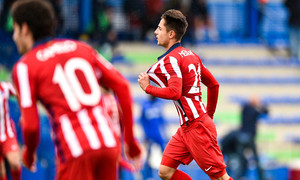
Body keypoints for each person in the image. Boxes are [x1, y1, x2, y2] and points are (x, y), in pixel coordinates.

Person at [10, 0, 142, 179]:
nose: (14, 37)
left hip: (75, 151)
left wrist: (29, 154)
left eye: (15, 30)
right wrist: (130, 141)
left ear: (24, 28)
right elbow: (123, 87)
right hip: (108, 145)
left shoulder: (25, 66)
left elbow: (32, 126)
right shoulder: (82, 49)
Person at [138, 9, 232, 180]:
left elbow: (175, 92)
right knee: (165, 172)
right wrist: (208, 115)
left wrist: (148, 88)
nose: (155, 32)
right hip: (188, 127)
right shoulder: (191, 55)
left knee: (220, 178)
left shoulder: (171, 59)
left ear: (171, 34)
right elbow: (213, 85)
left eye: (160, 28)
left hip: (197, 126)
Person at [221, 96, 268, 180]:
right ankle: (259, 177)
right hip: (247, 138)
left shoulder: (247, 108)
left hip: (242, 137)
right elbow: (264, 111)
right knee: (253, 159)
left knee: (242, 159)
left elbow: (265, 112)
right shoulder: (249, 108)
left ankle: (239, 177)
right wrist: (259, 105)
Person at [0, 81, 21, 180]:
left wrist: (25, 114)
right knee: (1, 172)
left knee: (15, 163)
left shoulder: (4, 87)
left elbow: (20, 94)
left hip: (6, 133)